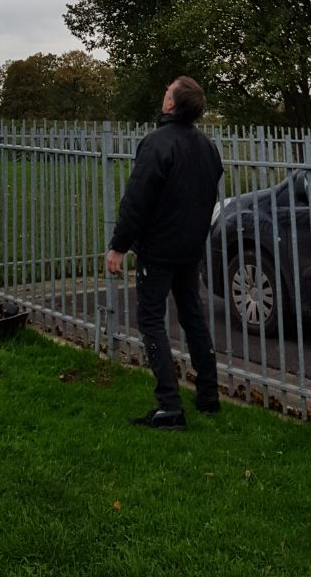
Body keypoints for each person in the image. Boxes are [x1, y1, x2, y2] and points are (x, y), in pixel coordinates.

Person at [106, 76, 223, 429]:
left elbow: (136, 201)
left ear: (172, 104)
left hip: (158, 250)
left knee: (150, 320)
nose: (163, 94)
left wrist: (118, 246)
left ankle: (170, 405)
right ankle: (208, 395)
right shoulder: (207, 147)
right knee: (192, 315)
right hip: (190, 249)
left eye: (167, 91)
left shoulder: (157, 143)